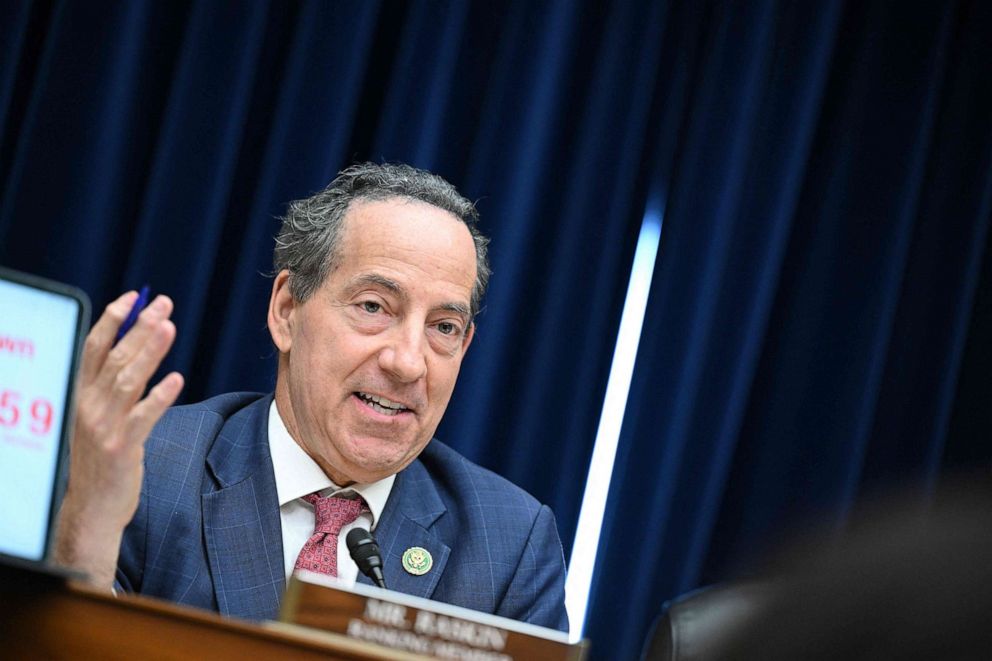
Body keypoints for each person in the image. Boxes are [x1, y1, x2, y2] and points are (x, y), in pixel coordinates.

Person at [53, 162, 568, 631]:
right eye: (374, 306)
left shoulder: (510, 545)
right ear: (286, 310)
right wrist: (86, 531)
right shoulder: (146, 470)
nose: (409, 362)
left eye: (444, 327)